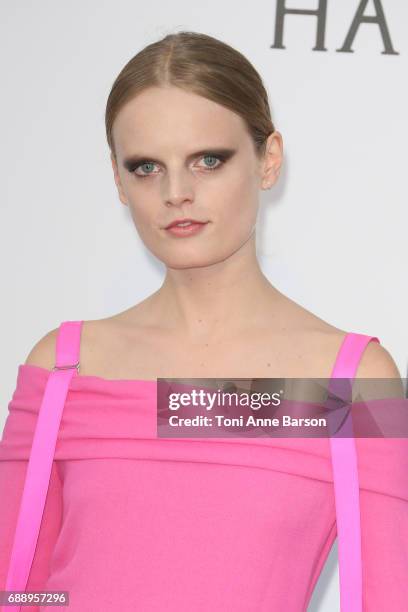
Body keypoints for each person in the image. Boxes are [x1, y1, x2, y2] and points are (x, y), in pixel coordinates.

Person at [1, 31, 407, 612]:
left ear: (269, 160)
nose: (176, 193)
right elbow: (18, 588)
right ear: (117, 180)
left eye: (208, 160)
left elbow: (388, 599)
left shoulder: (349, 382)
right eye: (145, 167)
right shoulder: (65, 366)